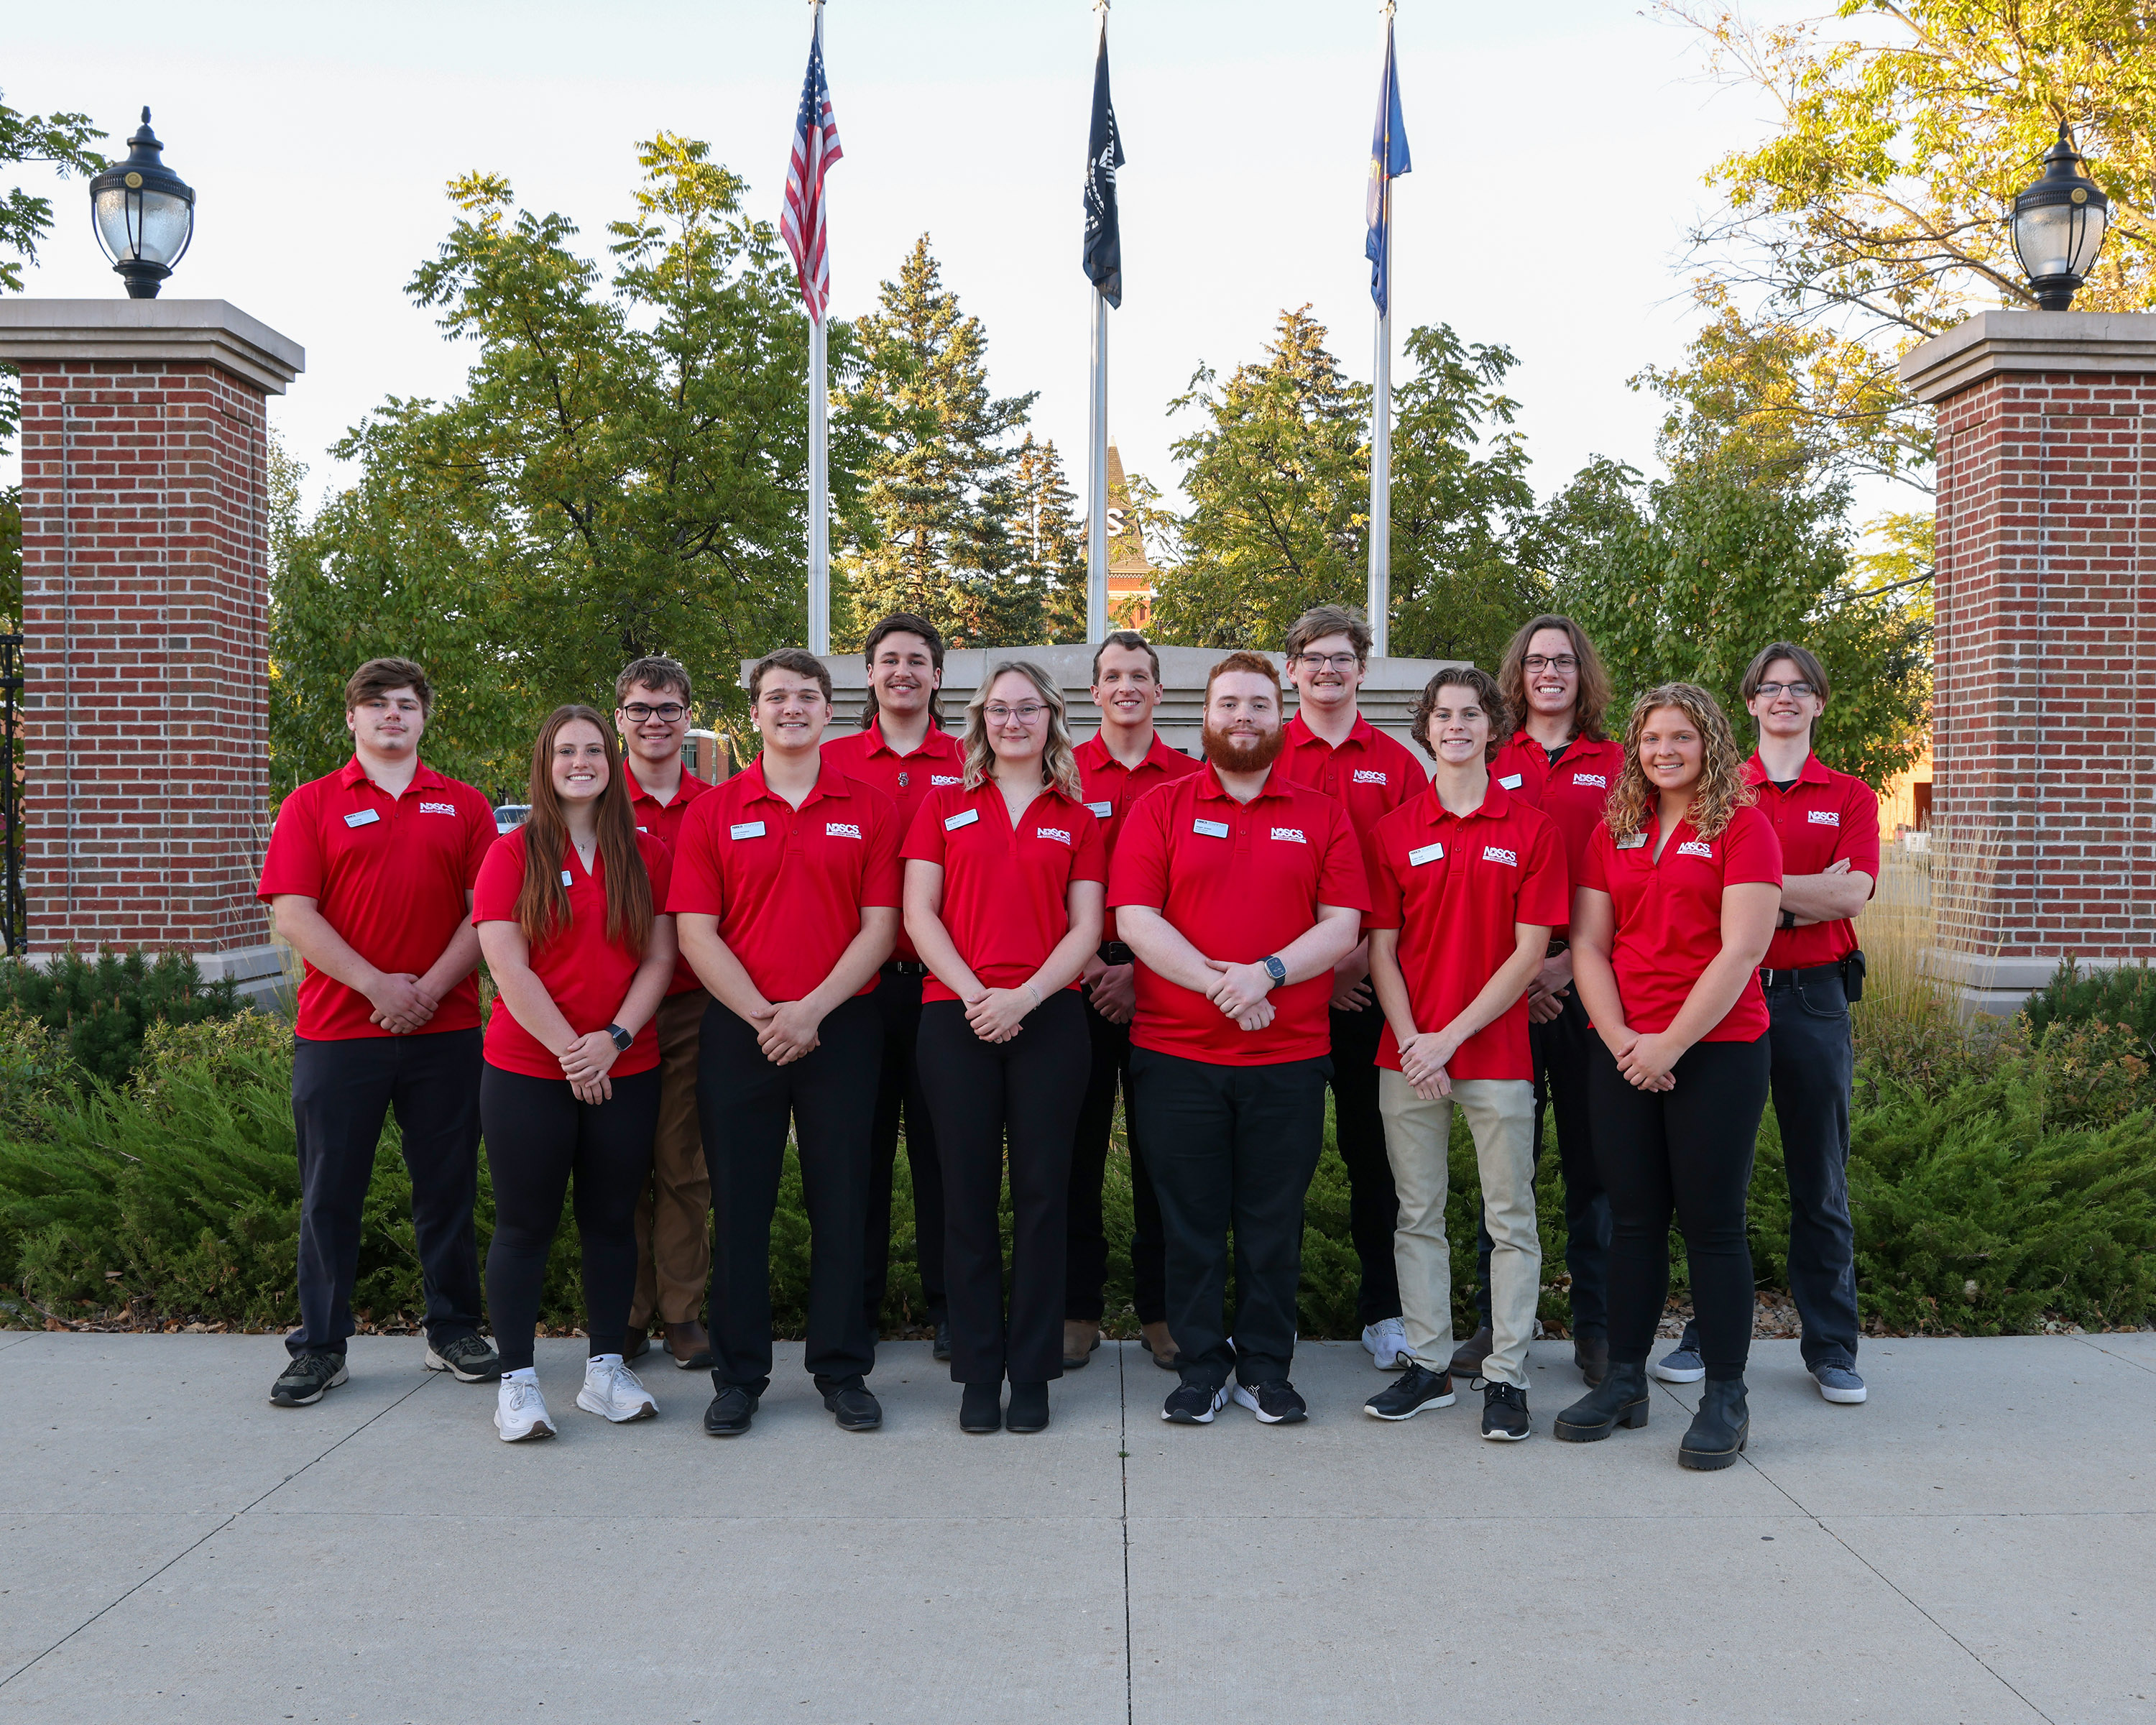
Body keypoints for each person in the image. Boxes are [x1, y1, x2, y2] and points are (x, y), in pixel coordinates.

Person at [1111, 652, 1368, 1427]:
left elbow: (1343, 925)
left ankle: (1265, 1366)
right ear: (1206, 717)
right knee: (1188, 1222)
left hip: (1286, 1059)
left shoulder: (1321, 813)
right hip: (1175, 1055)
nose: (1244, 718)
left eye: (1259, 705)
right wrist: (1223, 985)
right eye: (1230, 705)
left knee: (1271, 1221)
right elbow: (1135, 919)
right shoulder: (1162, 806)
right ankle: (1201, 1367)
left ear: (1280, 717)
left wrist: (1270, 973)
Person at [259, 658, 501, 1407]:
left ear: (425, 717)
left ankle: (453, 1330)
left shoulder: (463, 806)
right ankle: (321, 1346)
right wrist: (377, 986)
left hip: (447, 1029)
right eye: (377, 705)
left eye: (406, 705)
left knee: (447, 1188)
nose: (392, 716)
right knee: (331, 1193)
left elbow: (486, 912)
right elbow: (293, 915)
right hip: (338, 1034)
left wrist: (425, 990)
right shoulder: (311, 805)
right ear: (352, 719)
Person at [671, 650, 900, 1437]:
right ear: (755, 714)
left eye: (806, 697)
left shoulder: (869, 807)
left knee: (844, 1205)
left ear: (830, 710)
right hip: (742, 1034)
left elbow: (882, 928)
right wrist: (769, 1015)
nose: (791, 709)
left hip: (843, 1028)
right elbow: (696, 933)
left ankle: (842, 1370)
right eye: (777, 698)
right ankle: (739, 1377)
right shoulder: (714, 811)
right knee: (740, 1208)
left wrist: (811, 1013)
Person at [1554, 683, 1782, 1471]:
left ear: (1710, 743)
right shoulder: (1614, 828)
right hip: (1623, 1049)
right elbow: (1588, 944)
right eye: (1651, 739)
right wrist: (1622, 1039)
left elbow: (1742, 951)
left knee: (1713, 1224)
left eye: (1680, 737)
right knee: (1635, 1220)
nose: (1664, 751)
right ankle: (1625, 1381)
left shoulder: (1744, 828)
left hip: (1716, 1049)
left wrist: (1669, 1047)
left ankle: (1726, 1394)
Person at [1654, 643, 1877, 1406]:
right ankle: (1705, 1337)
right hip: (1726, 994)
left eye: (1800, 688)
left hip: (1814, 998)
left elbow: (1852, 898)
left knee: (1820, 1177)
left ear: (1819, 702)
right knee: (1716, 1178)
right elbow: (1701, 894)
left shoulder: (1848, 795)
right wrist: (1792, 895)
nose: (1784, 698)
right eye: (1770, 687)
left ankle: (1832, 1346)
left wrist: (1753, 894)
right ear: (1749, 702)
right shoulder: (1717, 794)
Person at [1363, 668, 1567, 1440]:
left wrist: (1449, 1037)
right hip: (1406, 1052)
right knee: (1416, 1214)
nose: (1455, 726)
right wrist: (1417, 1039)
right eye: (1443, 715)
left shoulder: (1532, 831)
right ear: (1427, 728)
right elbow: (1381, 952)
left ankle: (1507, 1377)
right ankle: (1427, 1366)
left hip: (1497, 1055)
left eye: (1471, 714)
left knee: (1509, 1218)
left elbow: (1529, 956)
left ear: (1493, 728)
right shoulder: (1394, 830)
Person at [906, 662, 1105, 1434]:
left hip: (1050, 1020)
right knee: (966, 1202)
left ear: (1052, 719)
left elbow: (1087, 928)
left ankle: (1033, 1374)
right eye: (999, 709)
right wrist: (975, 996)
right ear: (980, 721)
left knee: (1044, 1199)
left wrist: (1023, 997)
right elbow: (921, 915)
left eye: (1028, 709)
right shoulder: (942, 805)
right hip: (953, 1019)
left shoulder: (1078, 818)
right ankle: (977, 1374)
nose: (1013, 721)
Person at [472, 706, 678, 1442]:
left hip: (627, 1064)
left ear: (612, 760)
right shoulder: (512, 853)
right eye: (567, 751)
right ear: (546, 763)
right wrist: (572, 1049)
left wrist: (613, 1041)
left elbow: (660, 959)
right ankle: (518, 1384)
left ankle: (606, 1373)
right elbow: (507, 965)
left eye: (594, 749)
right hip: (529, 1068)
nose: (582, 762)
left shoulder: (647, 854)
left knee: (612, 1223)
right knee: (525, 1225)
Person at [1455, 615, 1625, 1386]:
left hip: (1591, 992)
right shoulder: (1489, 758)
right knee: (1504, 1173)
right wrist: (1521, 980)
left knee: (1594, 1171)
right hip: (1505, 996)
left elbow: (1630, 879)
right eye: (1534, 661)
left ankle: (1596, 1327)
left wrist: (1564, 971)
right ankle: (1497, 1326)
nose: (1549, 672)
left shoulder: (1619, 764)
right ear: (1515, 677)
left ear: (1582, 674)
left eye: (1563, 661)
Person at [1276, 604, 1424, 1372]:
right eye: (1312, 657)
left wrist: (1358, 963)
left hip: (1372, 995)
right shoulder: (1268, 750)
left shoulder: (1396, 765)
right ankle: (1273, 1317)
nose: (1327, 670)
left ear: (1363, 670)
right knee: (1279, 1166)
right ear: (1291, 669)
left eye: (1341, 658)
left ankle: (1384, 1314)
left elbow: (1408, 879)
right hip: (1287, 1000)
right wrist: (1310, 972)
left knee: (1379, 1162)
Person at [823, 613, 964, 1358]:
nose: (903, 671)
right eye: (889, 660)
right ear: (868, 675)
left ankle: (949, 1307)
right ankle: (860, 1307)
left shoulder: (972, 760)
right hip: (857, 991)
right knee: (857, 1154)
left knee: (946, 1152)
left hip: (944, 991)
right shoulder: (832, 759)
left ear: (938, 677)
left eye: (918, 660)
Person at [1065, 630, 1200, 1375]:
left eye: (1139, 676)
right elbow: (1038, 880)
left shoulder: (1188, 779)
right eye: (1112, 675)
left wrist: (1142, 976)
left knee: (1164, 1160)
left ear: (1158, 691)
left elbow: (1202, 896)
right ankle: (1076, 1309)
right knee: (1072, 1155)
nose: (1126, 687)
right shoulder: (1060, 773)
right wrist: (1089, 966)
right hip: (1077, 985)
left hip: (1164, 990)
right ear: (1094, 692)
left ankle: (1163, 1311)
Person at [614, 656, 718, 1374]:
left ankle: (683, 1312)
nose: (655, 723)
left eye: (669, 710)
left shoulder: (719, 804)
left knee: (683, 1166)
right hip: (609, 1012)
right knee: (618, 1168)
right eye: (641, 709)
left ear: (688, 718)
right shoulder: (589, 799)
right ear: (618, 716)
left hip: (692, 1006)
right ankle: (623, 1313)